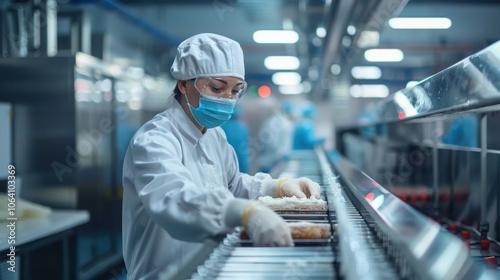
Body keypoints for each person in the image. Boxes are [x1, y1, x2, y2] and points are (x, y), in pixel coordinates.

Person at [121, 33, 321, 279]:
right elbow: (174, 200)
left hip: (209, 268)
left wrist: (275, 186)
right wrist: (244, 213)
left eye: (235, 90)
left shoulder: (215, 136)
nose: (228, 99)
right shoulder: (154, 139)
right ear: (184, 84)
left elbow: (233, 185)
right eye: (217, 88)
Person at [257, 101, 296, 173]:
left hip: (274, 160)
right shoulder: (275, 122)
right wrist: (282, 154)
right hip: (269, 161)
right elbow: (271, 144)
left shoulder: (282, 122)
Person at [221, 105, 250, 173]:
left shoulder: (220, 127)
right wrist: (245, 167)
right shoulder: (242, 128)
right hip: (239, 164)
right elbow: (244, 150)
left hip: (223, 165)